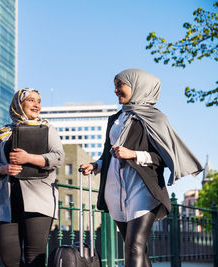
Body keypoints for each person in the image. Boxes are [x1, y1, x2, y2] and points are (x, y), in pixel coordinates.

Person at [80, 69, 203, 267]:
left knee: (134, 247)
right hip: (116, 191)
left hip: (143, 190)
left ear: (137, 87)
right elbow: (108, 154)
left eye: (120, 85)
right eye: (115, 85)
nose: (116, 90)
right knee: (137, 249)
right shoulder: (114, 119)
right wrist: (95, 165)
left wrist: (134, 154)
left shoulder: (156, 119)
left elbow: (163, 158)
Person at [0, 88, 64, 267]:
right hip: (8, 202)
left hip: (38, 200)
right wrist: (4, 168)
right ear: (18, 104)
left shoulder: (46, 129)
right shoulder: (2, 135)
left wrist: (28, 158)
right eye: (31, 100)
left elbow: (59, 158)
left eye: (38, 101)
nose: (36, 105)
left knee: (34, 258)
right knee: (9, 258)